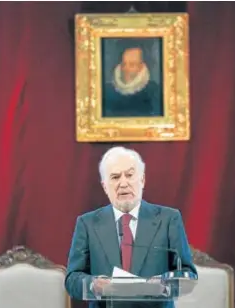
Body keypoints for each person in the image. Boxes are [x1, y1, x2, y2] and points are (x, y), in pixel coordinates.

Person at [64, 146, 197, 308]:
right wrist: (94, 285)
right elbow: (72, 280)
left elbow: (188, 274)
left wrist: (163, 283)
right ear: (105, 186)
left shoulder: (168, 219)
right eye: (115, 177)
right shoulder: (87, 223)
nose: (123, 183)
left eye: (129, 175)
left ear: (142, 180)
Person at [103, 47, 163, 118]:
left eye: (132, 65)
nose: (126, 69)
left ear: (141, 67)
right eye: (124, 64)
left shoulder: (153, 90)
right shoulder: (108, 89)